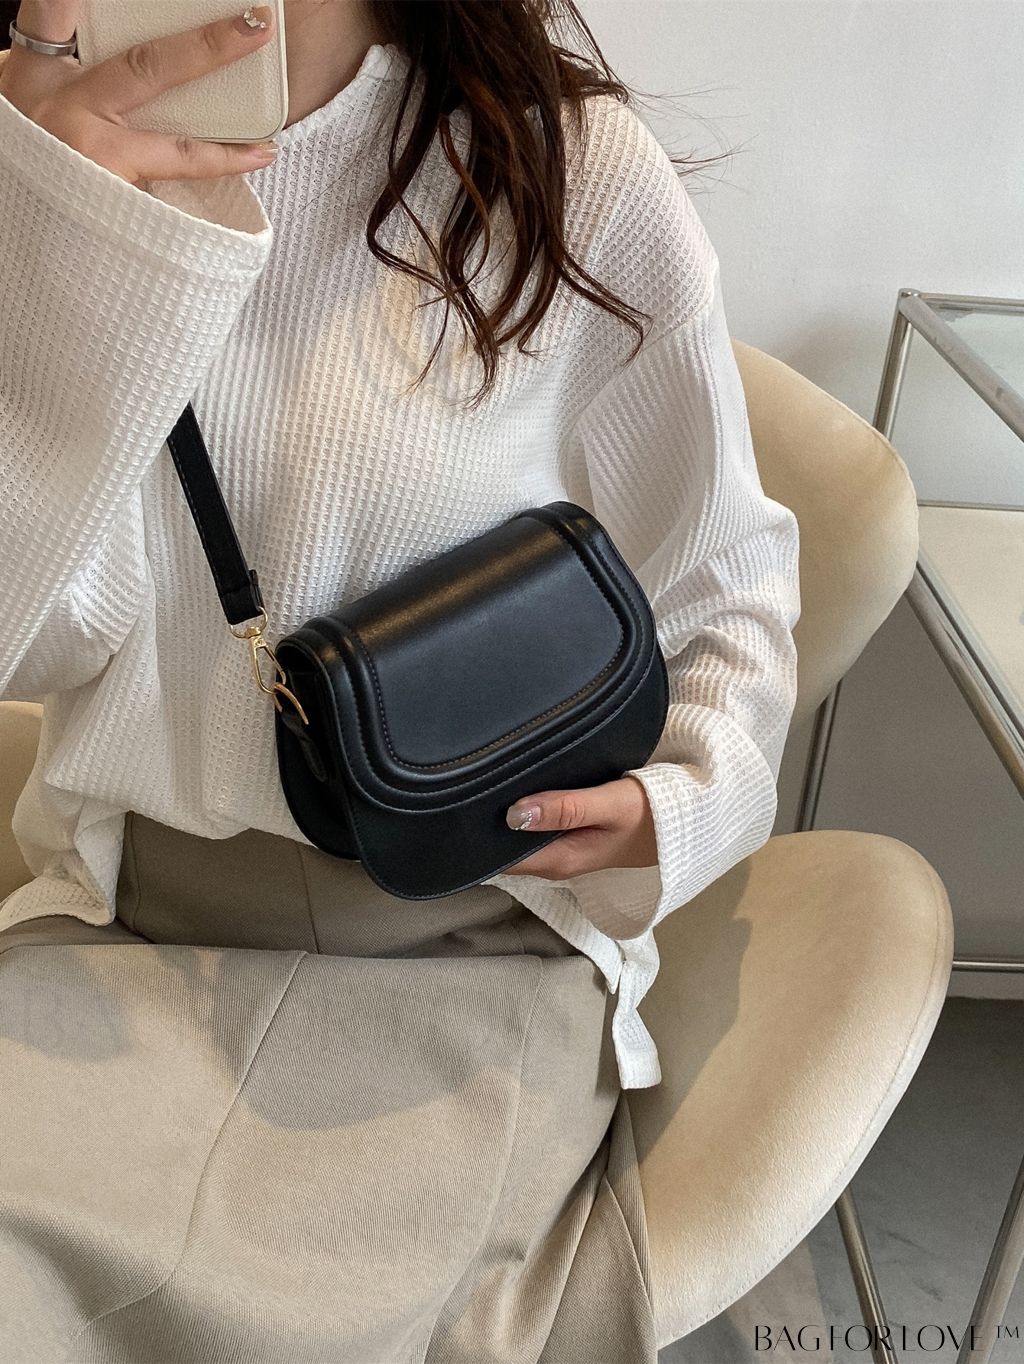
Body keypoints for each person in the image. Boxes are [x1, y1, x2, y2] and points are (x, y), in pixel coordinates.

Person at [0, 1, 801, 1359]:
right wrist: (60, 246)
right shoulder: (35, 164)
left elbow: (727, 581)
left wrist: (681, 805)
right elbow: (27, 647)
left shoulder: (563, 165)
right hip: (128, 947)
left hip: (471, 954)